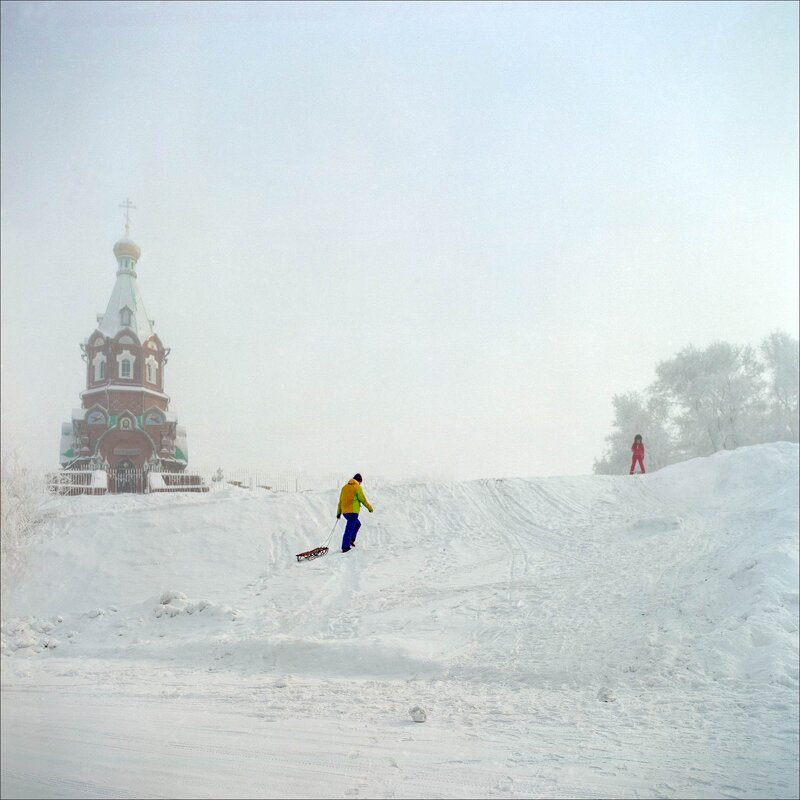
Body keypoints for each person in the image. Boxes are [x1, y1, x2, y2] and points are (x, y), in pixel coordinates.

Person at [336, 473, 373, 552]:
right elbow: (363, 499)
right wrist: (369, 508)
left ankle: (351, 540)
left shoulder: (344, 488)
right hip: (353, 512)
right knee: (349, 528)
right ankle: (345, 547)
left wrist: (338, 513)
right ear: (359, 481)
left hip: (345, 512)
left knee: (357, 524)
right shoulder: (357, 487)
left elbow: (340, 501)